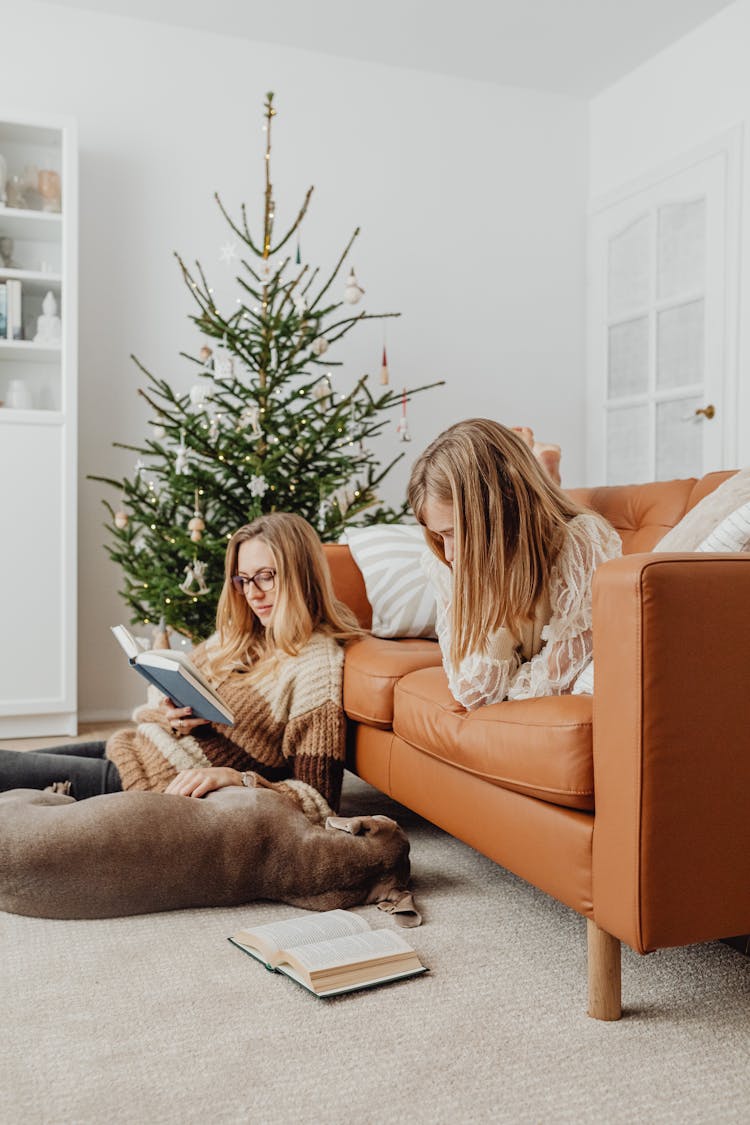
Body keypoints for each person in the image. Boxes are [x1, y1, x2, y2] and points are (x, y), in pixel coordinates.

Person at [0, 513, 362, 810]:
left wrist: (238, 779)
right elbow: (155, 703)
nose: (253, 593)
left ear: (302, 574)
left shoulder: (316, 666)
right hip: (132, 749)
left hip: (149, 785)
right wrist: (170, 714)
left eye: (266, 576)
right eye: (243, 579)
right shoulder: (237, 638)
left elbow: (319, 799)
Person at [407, 418, 621, 711]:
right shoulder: (446, 563)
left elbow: (559, 680)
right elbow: (473, 693)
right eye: (439, 535)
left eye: (454, 532)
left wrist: (509, 683)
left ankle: (540, 464)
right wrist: (497, 607)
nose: (449, 554)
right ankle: (539, 463)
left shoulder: (582, 542)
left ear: (496, 513)